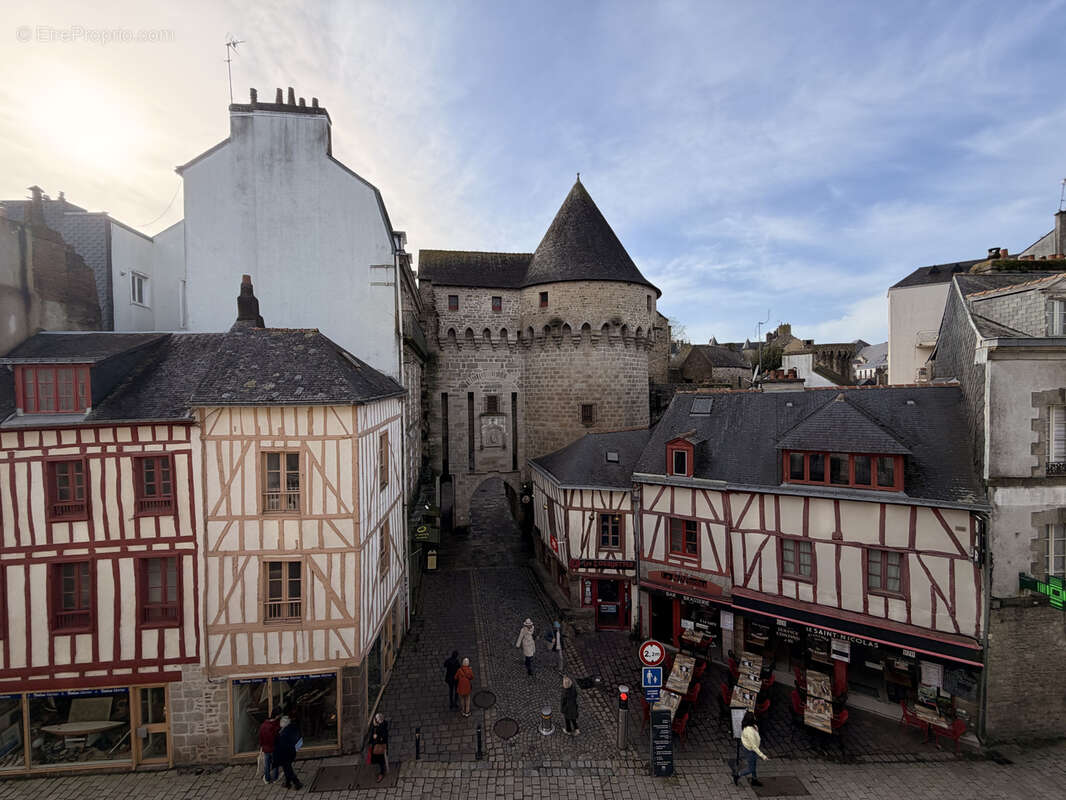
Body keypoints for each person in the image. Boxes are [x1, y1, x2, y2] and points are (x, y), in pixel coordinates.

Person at [732, 711, 768, 787]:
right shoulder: (749, 731)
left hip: (752, 749)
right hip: (750, 750)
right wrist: (763, 756)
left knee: (753, 765)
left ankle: (754, 779)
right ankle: (737, 775)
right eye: (754, 717)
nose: (755, 717)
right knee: (751, 768)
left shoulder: (753, 727)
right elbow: (753, 746)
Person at [274, 714, 304, 790]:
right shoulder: (292, 728)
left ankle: (296, 782)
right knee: (286, 768)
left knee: (288, 769)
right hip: (291, 752)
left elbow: (281, 746)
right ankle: (287, 782)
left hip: (285, 754)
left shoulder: (283, 734)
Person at [257, 711, 281, 783]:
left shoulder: (263, 725)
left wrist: (262, 746)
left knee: (267, 764)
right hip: (273, 748)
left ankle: (267, 778)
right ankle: (275, 778)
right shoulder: (273, 726)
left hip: (266, 748)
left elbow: (260, 737)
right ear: (276, 716)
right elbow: (274, 738)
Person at [369, 712, 389, 783]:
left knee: (381, 761)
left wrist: (376, 738)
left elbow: (383, 738)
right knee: (377, 759)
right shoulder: (375, 726)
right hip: (376, 746)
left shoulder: (381, 728)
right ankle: (381, 770)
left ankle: (382, 773)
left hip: (379, 747)